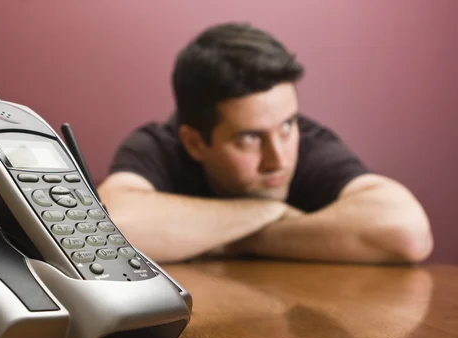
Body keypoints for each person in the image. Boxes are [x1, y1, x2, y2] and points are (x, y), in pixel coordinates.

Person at [97, 22, 433, 264]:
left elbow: (407, 233)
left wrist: (240, 239)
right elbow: (107, 231)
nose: (279, 158)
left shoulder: (309, 142)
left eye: (288, 124)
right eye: (250, 138)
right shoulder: (158, 145)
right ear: (195, 142)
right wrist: (269, 211)